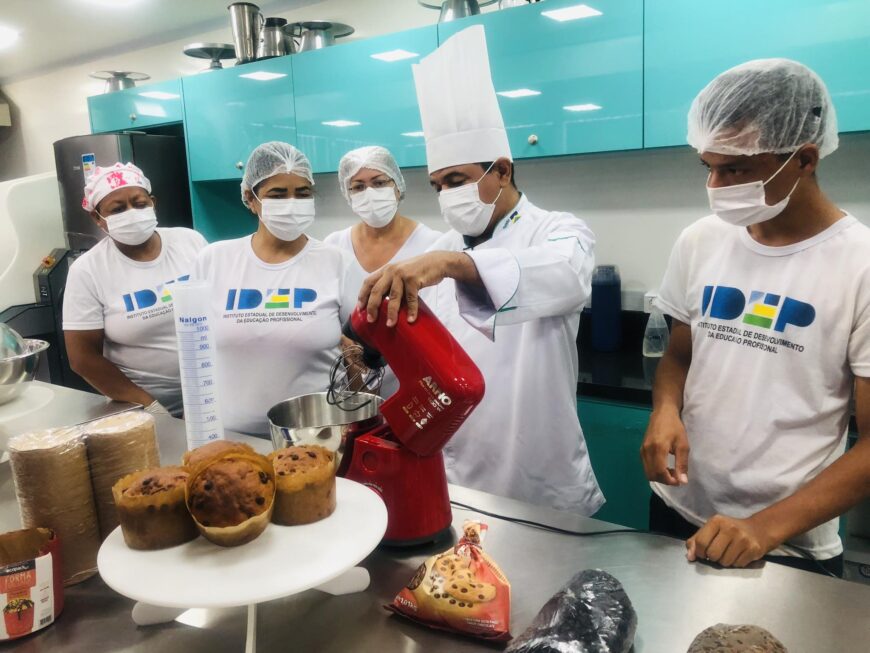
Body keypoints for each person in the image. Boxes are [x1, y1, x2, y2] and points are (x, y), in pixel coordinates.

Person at [357, 26, 603, 514]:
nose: (447, 195)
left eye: (457, 180)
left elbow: (565, 275)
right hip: (455, 468)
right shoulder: (441, 249)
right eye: (437, 185)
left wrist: (453, 264)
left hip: (535, 469)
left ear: (503, 170)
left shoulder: (558, 230)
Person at [640, 59, 870, 576]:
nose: (716, 184)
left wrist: (764, 527)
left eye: (737, 169)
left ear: (804, 158)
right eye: (708, 166)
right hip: (679, 506)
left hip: (787, 542)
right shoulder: (700, 240)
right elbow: (679, 358)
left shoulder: (860, 264)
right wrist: (665, 410)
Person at [193, 142, 355, 436]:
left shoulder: (337, 262)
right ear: (250, 198)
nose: (292, 203)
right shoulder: (214, 261)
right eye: (278, 195)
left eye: (302, 193)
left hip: (317, 437)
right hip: (232, 437)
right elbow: (195, 350)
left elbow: (361, 354)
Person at [63, 162, 207, 416]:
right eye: (118, 209)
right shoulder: (88, 270)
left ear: (153, 203)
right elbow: (82, 358)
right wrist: (149, 407)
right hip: (140, 408)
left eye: (140, 204)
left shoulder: (190, 242)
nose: (132, 213)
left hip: (211, 395)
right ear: (97, 218)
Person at [325, 145, 441, 396]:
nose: (369, 193)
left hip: (420, 389)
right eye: (358, 187)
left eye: (379, 183)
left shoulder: (434, 246)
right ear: (348, 194)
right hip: (352, 394)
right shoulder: (333, 247)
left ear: (397, 186)